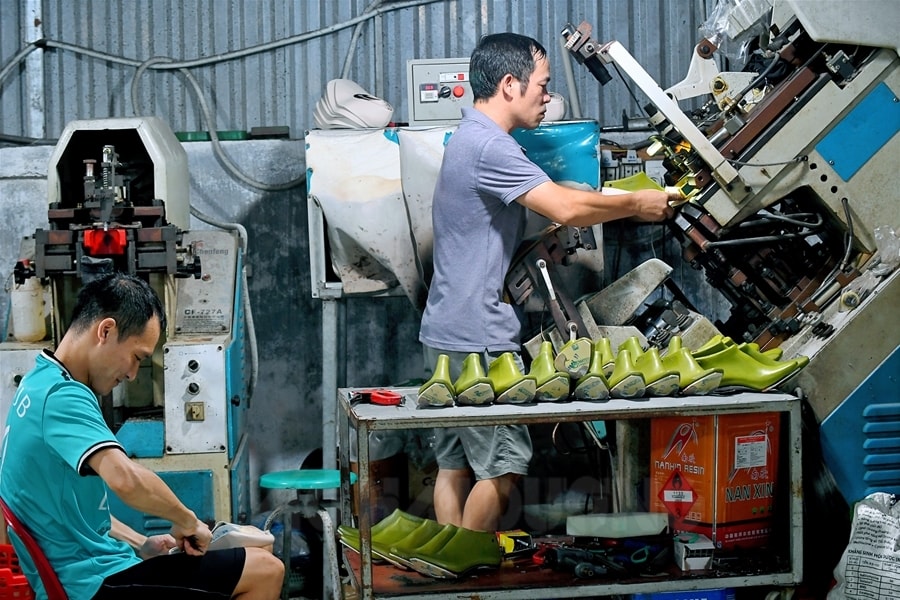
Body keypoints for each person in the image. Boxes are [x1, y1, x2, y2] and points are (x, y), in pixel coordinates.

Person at [418, 33, 678, 532]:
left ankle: (448, 563)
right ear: (509, 84)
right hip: (479, 338)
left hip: (446, 328)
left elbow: (483, 234)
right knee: (504, 467)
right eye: (542, 85)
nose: (547, 97)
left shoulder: (467, 138)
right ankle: (466, 558)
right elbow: (566, 206)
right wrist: (637, 202)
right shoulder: (490, 146)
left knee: (456, 464)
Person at [0, 272, 283, 599]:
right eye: (136, 357)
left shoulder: (38, 382)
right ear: (106, 331)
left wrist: (142, 543)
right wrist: (188, 522)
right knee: (265, 569)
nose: (133, 374)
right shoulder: (63, 397)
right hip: (92, 585)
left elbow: (71, 514)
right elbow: (125, 478)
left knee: (252, 557)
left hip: (92, 572)